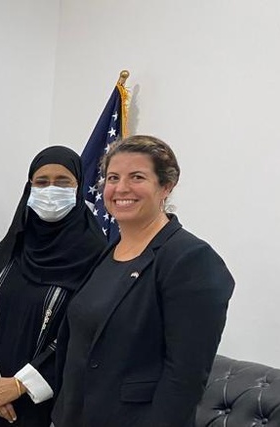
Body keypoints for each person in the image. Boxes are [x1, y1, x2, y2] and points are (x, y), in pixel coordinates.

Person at [51, 135, 235, 426]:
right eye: (113, 177)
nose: (121, 188)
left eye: (137, 177)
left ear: (166, 186)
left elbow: (184, 379)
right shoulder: (109, 251)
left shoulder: (191, 259)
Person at [0, 146, 106, 426]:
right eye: (41, 182)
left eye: (63, 182)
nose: (51, 189)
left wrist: (20, 385)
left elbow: (82, 332)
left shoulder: (96, 256)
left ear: (78, 188)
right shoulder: (13, 246)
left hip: (48, 400)